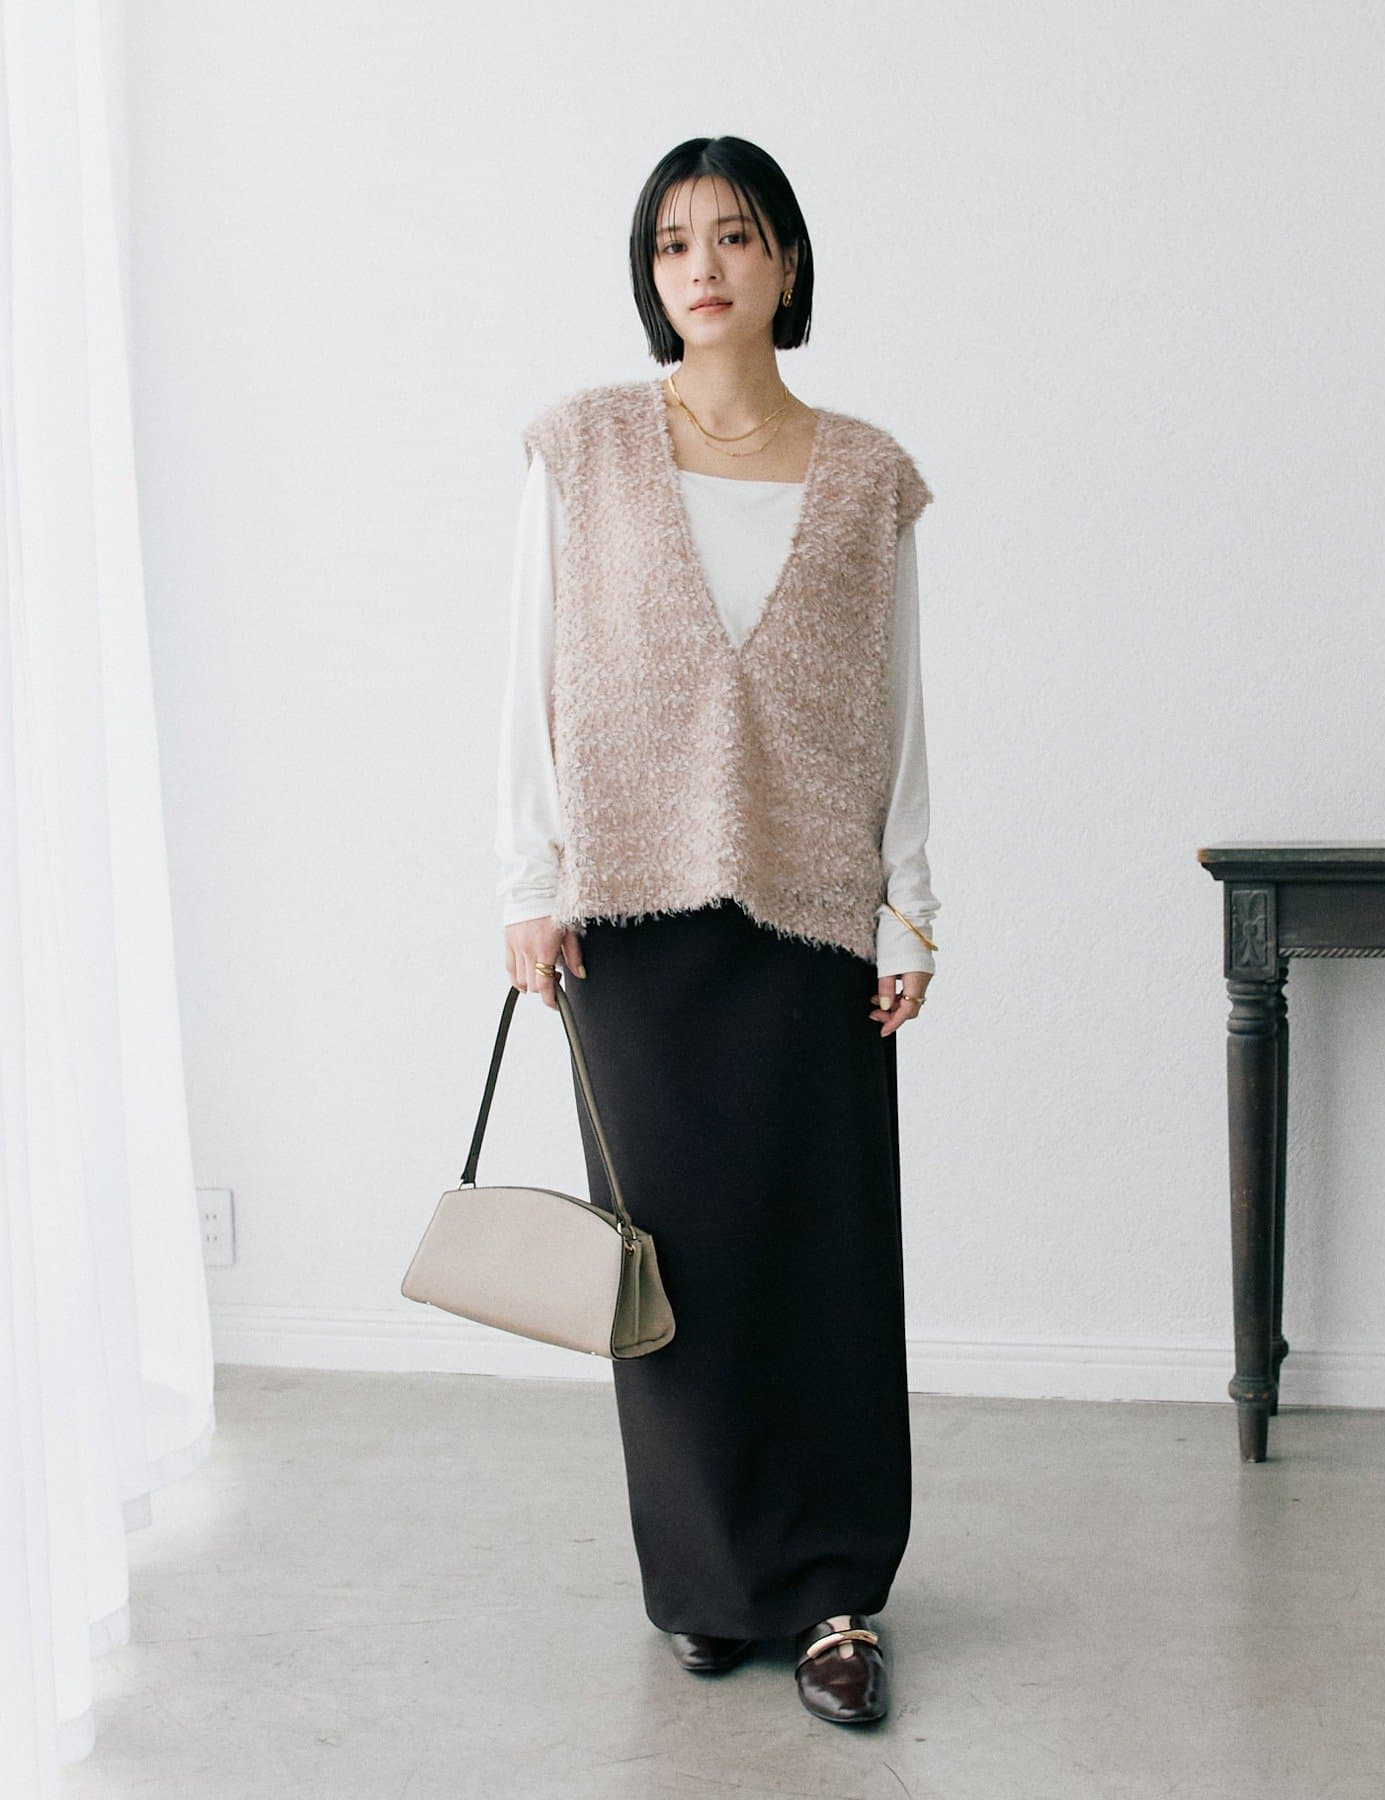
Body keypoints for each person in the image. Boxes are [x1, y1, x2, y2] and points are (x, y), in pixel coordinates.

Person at [494, 135, 940, 1728]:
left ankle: (834, 1597)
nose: (704, 266)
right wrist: (526, 882)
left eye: (736, 236)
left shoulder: (867, 473)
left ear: (786, 264)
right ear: (651, 272)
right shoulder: (584, 448)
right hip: (629, 915)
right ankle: (705, 1583)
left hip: (814, 913)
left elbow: (900, 708)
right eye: (675, 241)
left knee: (826, 1256)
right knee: (669, 1272)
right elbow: (531, 674)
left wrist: (909, 906)